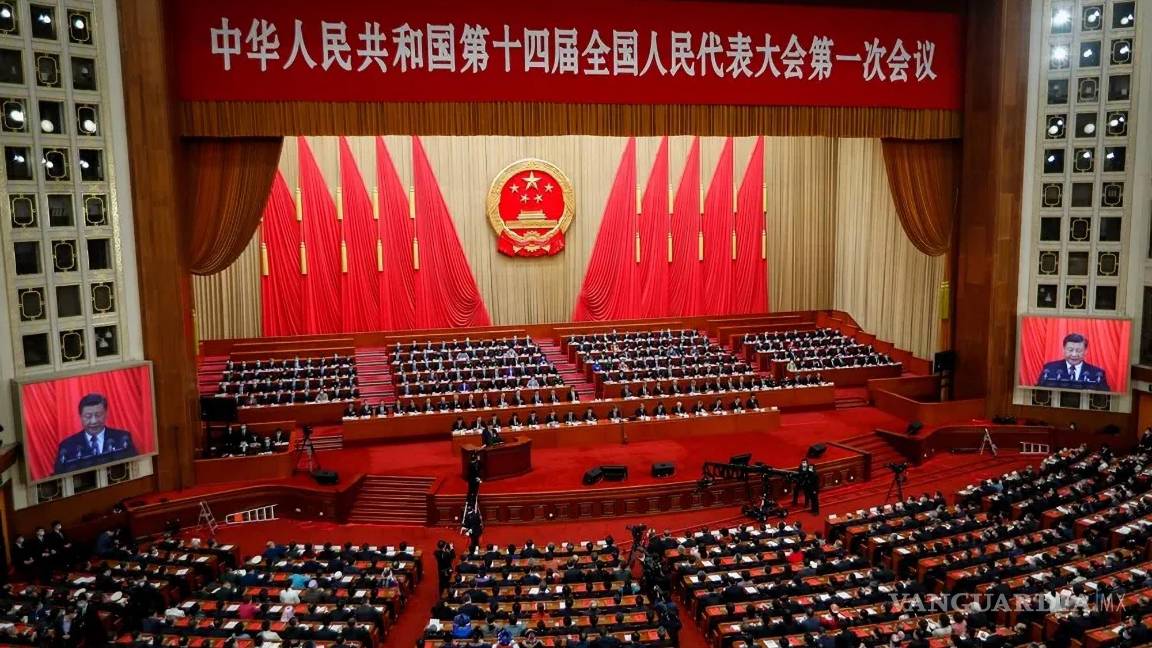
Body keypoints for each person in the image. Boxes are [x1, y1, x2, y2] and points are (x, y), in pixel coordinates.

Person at [54, 393, 138, 475]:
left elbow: (135, 468)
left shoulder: (122, 438)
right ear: (80, 417)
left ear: (106, 414)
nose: (94, 421)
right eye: (88, 416)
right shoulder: (67, 446)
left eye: (98, 415)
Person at [1036, 333, 1110, 391]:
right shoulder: (1049, 369)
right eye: (1070, 350)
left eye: (1078, 351)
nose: (1074, 354)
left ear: (1086, 351)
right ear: (1064, 349)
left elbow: (1104, 399)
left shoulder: (1097, 373)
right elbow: (1038, 393)